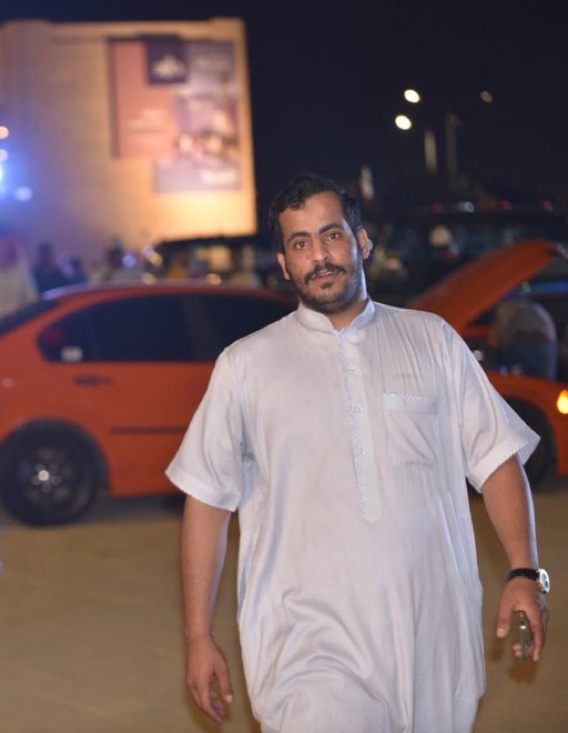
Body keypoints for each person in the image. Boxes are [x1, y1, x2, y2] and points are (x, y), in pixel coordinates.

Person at [171, 173, 549, 732]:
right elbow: (207, 501)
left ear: (362, 241)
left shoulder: (433, 341)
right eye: (301, 243)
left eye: (331, 235)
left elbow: (496, 459)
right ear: (284, 264)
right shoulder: (245, 366)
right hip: (305, 644)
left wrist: (523, 570)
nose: (319, 257)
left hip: (432, 636)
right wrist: (198, 636)